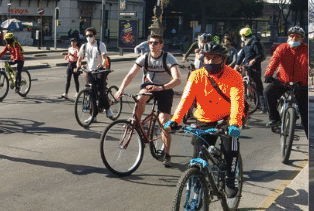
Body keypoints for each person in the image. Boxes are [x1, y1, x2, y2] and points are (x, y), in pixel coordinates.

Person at [165, 40, 245, 200]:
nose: (210, 62)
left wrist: (234, 123)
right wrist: (175, 120)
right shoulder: (197, 75)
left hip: (227, 118)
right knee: (198, 151)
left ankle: (230, 179)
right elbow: (186, 100)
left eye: (215, 58)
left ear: (223, 59)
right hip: (205, 117)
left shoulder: (234, 76)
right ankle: (198, 186)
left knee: (231, 146)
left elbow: (237, 102)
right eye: (207, 58)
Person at [116, 30, 181, 166]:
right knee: (140, 97)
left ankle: (167, 155)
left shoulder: (168, 58)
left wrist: (162, 87)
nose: (152, 45)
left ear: (161, 45)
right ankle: (137, 123)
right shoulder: (144, 57)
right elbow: (130, 75)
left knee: (164, 121)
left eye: (155, 43)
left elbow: (178, 79)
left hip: (165, 88)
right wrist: (121, 89)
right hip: (150, 86)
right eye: (150, 43)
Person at [265, 26, 308, 135]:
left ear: (302, 39)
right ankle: (275, 118)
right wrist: (268, 74)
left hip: (300, 84)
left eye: (297, 36)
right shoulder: (282, 48)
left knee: (306, 118)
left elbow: (307, 64)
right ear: (288, 37)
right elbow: (273, 60)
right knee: (267, 92)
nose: (294, 38)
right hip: (282, 82)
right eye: (292, 36)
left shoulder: (306, 50)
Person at [79, 27, 113, 118]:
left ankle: (108, 108)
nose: (88, 37)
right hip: (90, 71)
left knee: (101, 91)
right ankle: (93, 116)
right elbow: (80, 58)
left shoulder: (100, 45)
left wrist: (102, 64)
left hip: (99, 71)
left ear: (94, 36)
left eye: (90, 35)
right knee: (92, 94)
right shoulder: (84, 46)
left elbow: (104, 58)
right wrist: (78, 66)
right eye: (86, 35)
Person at [233, 26, 265, 109]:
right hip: (246, 66)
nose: (241, 37)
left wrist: (254, 60)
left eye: (242, 36)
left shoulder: (255, 43)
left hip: (254, 67)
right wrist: (237, 64)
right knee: (242, 83)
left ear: (244, 35)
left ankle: (263, 106)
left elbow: (260, 55)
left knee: (258, 86)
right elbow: (241, 55)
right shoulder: (245, 44)